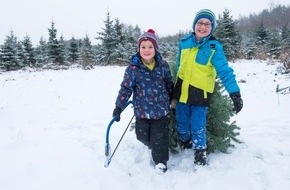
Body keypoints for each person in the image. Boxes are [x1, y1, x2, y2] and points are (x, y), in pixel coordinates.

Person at [172, 9, 243, 166]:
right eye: (200, 23)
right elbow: (178, 66)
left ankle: (199, 152)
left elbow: (224, 71)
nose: (203, 27)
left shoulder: (214, 47)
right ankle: (186, 142)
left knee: (198, 125)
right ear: (194, 24)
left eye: (207, 24)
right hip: (182, 91)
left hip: (200, 94)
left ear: (212, 27)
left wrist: (235, 93)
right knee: (182, 123)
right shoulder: (184, 43)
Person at [112, 29, 174, 173]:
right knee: (142, 136)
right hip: (141, 112)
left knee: (160, 138)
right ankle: (151, 144)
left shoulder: (163, 66)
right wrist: (118, 107)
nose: (147, 50)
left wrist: (172, 100)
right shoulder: (133, 69)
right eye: (143, 47)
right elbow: (126, 89)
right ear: (138, 49)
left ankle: (161, 162)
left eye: (150, 47)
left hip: (160, 111)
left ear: (156, 48)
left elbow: (169, 84)